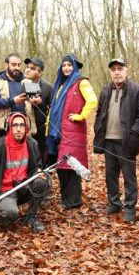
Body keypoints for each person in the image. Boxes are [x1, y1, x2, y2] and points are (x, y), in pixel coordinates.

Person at [0, 112, 49, 233]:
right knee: (10, 214)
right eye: (15, 125)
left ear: (27, 127)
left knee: (42, 182)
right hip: (5, 192)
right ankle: (1, 212)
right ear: (8, 127)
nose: (18, 129)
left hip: (24, 187)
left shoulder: (32, 144)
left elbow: (37, 165)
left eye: (22, 125)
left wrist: (39, 172)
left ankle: (31, 216)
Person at [93, 58, 139, 222]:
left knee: (129, 177)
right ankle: (114, 203)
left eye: (120, 69)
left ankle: (130, 208)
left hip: (127, 142)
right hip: (108, 140)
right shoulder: (105, 90)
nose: (116, 72)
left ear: (126, 71)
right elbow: (100, 112)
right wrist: (98, 129)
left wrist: (133, 133)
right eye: (113, 69)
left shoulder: (137, 90)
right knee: (111, 175)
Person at [46, 54, 98, 209]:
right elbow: (54, 108)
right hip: (58, 132)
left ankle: (73, 201)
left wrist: (81, 116)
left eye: (69, 65)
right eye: (64, 65)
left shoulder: (81, 82)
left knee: (71, 166)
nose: (66, 68)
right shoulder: (60, 84)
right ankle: (65, 199)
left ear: (75, 67)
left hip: (72, 131)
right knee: (61, 166)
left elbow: (93, 100)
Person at [0, 53, 30, 139]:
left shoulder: (27, 81)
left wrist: (37, 101)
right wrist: (13, 101)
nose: (17, 68)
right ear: (6, 65)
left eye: (19, 65)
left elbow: (34, 100)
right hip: (4, 126)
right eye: (13, 64)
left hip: (23, 125)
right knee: (4, 151)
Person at [23, 57, 53, 166]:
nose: (28, 70)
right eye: (27, 67)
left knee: (42, 158)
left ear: (40, 73)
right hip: (25, 128)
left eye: (32, 68)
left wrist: (40, 103)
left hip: (42, 130)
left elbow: (52, 109)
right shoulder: (23, 84)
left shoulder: (48, 87)